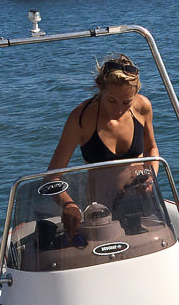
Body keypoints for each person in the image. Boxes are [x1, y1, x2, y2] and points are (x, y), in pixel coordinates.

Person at [48, 55, 159, 236]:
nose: (118, 110)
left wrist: (150, 177)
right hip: (101, 212)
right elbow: (51, 178)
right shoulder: (80, 119)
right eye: (111, 100)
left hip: (142, 203)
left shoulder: (143, 107)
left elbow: (152, 149)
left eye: (126, 102)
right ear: (100, 87)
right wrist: (69, 205)